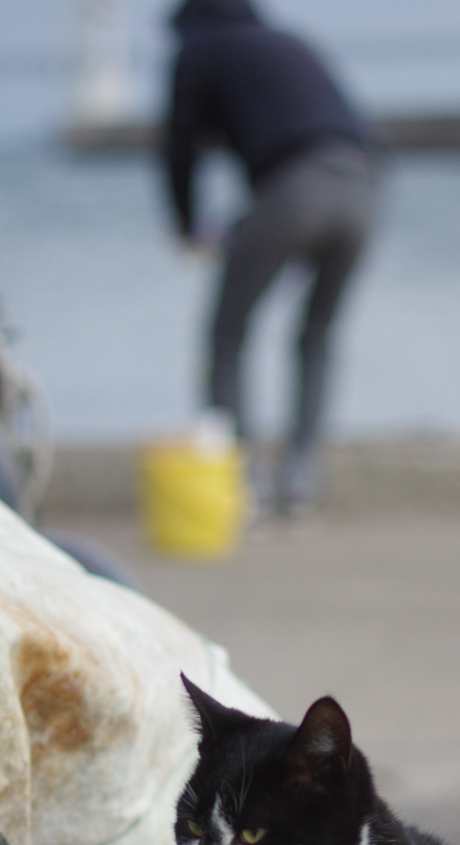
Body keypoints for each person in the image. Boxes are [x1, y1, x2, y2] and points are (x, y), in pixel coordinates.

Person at [164, 0, 378, 518]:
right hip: (365, 185)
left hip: (292, 187)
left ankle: (243, 483)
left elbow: (178, 145)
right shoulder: (290, 42)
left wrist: (188, 226)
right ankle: (300, 482)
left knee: (227, 334)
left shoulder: (200, 48)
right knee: (316, 336)